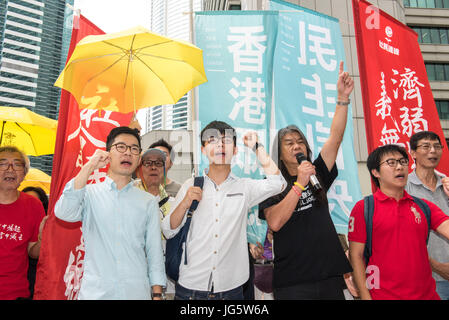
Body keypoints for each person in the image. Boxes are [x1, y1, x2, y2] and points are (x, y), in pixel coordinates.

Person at [258, 61, 354, 300]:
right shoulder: (272, 183)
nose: (297, 146)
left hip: (330, 275)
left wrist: (342, 98)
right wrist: (299, 183)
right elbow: (276, 222)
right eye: (289, 143)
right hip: (293, 281)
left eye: (300, 141)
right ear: (279, 153)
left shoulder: (316, 172)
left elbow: (335, 137)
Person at [161, 120, 286, 300]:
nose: (220, 144)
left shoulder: (244, 187)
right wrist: (185, 203)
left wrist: (257, 147)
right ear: (203, 150)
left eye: (226, 140)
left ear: (235, 150)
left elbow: (278, 184)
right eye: (212, 140)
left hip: (232, 288)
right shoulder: (191, 185)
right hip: (190, 287)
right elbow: (168, 229)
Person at [54, 126, 166, 300]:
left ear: (138, 158)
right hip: (96, 293)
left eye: (134, 149)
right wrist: (90, 166)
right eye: (121, 147)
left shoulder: (148, 202)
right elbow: (64, 213)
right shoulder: (89, 194)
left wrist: (157, 294)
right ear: (107, 154)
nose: (128, 153)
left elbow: (154, 251)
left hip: (136, 293)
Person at [348, 144, 449, 300]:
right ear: (375, 172)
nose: (399, 167)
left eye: (402, 162)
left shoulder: (423, 206)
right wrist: (366, 296)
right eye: (391, 162)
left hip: (427, 296)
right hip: (383, 295)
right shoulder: (364, 208)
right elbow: (356, 256)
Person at [406, 131, 449, 299]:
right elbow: (403, 237)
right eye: (426, 146)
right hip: (426, 278)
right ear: (413, 153)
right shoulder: (403, 187)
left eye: (437, 146)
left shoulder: (446, 183)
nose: (433, 151)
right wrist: (436, 266)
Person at [0, 146, 47, 300]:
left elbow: (33, 252)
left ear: (24, 174)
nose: (10, 169)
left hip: (15, 293)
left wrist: (42, 239)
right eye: (3, 163)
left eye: (17, 164)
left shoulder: (33, 205)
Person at [135, 147, 176, 299]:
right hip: (136, 282)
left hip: (168, 284)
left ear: (164, 170)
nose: (153, 167)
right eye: (148, 163)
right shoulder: (129, 200)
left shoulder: (174, 204)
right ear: (139, 169)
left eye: (159, 163)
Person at [22, 186, 49, 299]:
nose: (28, 206)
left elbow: (33, 253)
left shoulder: (45, 227)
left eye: (33, 202)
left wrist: (41, 238)